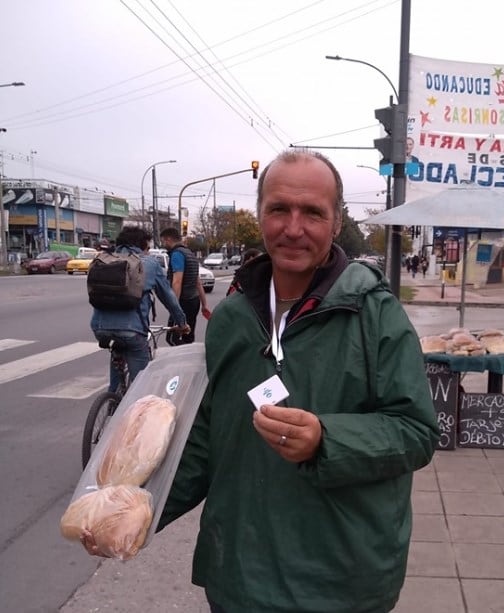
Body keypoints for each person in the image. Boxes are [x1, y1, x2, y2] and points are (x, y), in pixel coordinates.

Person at [156, 151, 440, 612]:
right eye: (278, 209)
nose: (293, 228)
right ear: (260, 213)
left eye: (312, 212)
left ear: (335, 221)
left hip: (338, 579)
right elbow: (207, 440)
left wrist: (326, 440)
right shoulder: (231, 317)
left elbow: (417, 432)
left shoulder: (374, 312)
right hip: (239, 575)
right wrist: (139, 511)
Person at [90, 226, 190, 392]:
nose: (149, 251)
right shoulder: (149, 263)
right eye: (148, 247)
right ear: (143, 245)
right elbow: (169, 298)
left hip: (100, 328)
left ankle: (112, 403)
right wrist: (182, 323)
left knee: (117, 359)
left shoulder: (103, 259)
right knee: (141, 388)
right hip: (132, 330)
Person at [159, 227, 211, 344]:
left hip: (183, 302)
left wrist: (174, 306)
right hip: (194, 301)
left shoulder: (177, 254)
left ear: (168, 239)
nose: (163, 244)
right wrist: (204, 304)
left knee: (172, 339)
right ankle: (190, 359)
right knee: (188, 337)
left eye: (163, 241)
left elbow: (177, 281)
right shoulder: (189, 253)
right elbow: (197, 281)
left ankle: (182, 360)